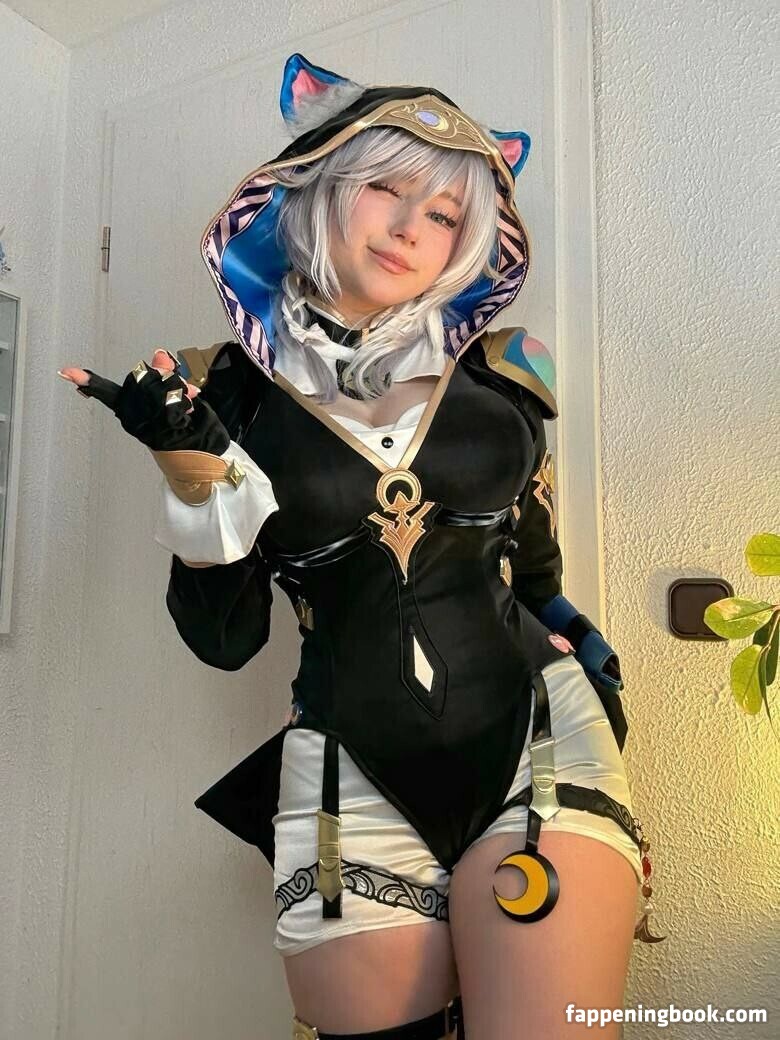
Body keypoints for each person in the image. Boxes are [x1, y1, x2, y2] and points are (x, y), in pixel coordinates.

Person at [58, 53, 664, 1040]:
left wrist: (589, 660)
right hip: (346, 777)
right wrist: (195, 474)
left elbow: (536, 573)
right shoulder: (223, 394)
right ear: (317, 184)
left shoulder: (506, 375)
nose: (410, 227)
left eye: (445, 214)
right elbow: (225, 641)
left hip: (538, 744)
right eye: (385, 186)